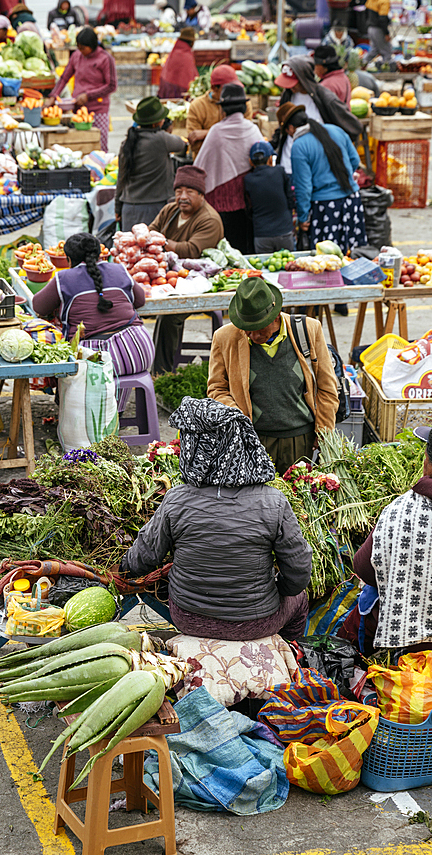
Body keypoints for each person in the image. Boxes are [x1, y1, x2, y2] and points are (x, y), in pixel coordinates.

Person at [120, 396, 312, 639]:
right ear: (239, 443)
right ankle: (290, 656)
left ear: (194, 449)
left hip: (189, 619)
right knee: (299, 599)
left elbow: (141, 560)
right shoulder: (273, 502)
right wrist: (279, 591)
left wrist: (121, 569)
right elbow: (299, 571)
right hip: (256, 623)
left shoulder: (176, 499)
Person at [208, 277, 339, 474]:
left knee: (296, 497)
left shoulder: (308, 330)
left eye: (257, 330)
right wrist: (237, 416)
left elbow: (327, 386)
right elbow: (217, 388)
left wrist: (324, 431)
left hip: (299, 438)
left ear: (276, 316)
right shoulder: (224, 337)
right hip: (252, 438)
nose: (250, 336)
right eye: (246, 329)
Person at [339, 430, 432, 656]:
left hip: (407, 641)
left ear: (426, 461)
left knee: (361, 615)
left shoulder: (400, 510)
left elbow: (363, 568)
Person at [32, 232, 154, 376]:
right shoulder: (119, 269)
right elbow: (140, 300)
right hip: (140, 350)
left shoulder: (63, 278)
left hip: (97, 360)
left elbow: (38, 307)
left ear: (69, 259)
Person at [149, 165, 224, 375]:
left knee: (170, 315)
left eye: (189, 192)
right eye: (178, 192)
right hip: (169, 279)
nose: (182, 197)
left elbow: (190, 250)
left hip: (197, 284)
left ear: (201, 195)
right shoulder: (169, 210)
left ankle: (161, 374)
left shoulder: (209, 219)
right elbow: (150, 231)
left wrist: (160, 242)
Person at [278, 102, 368, 254]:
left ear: (291, 128)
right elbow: (354, 160)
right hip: (352, 201)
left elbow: (303, 187)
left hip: (326, 208)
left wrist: (303, 217)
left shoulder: (299, 145)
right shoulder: (336, 130)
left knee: (328, 258)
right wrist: (340, 177)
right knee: (353, 254)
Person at [195, 83, 261, 255]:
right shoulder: (253, 130)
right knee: (244, 250)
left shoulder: (216, 131)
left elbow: (201, 164)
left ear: (222, 109)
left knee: (225, 252)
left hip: (220, 203)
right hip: (248, 200)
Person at [273, 57, 361, 173]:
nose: (291, 87)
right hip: (288, 165)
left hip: (316, 168)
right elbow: (282, 127)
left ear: (303, 79)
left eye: (294, 83)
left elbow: (352, 126)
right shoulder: (288, 95)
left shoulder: (324, 98)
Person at [115, 96, 186, 231]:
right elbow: (181, 144)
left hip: (129, 209)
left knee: (130, 249)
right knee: (153, 249)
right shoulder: (162, 139)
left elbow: (121, 178)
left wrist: (117, 207)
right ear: (157, 123)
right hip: (155, 209)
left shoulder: (127, 142)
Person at [48, 26, 117, 150]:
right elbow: (64, 78)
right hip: (78, 110)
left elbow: (111, 85)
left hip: (98, 110)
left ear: (92, 45)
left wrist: (88, 95)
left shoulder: (105, 59)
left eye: (83, 48)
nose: (80, 50)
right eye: (78, 47)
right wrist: (54, 95)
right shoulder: (76, 56)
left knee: (98, 146)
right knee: (80, 145)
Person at [186, 64, 254, 160]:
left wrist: (206, 133)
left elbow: (243, 134)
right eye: (227, 89)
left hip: (236, 162)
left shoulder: (243, 103)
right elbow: (195, 145)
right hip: (207, 163)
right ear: (214, 88)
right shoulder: (197, 106)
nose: (232, 92)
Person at [243, 141, 296, 254]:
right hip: (284, 231)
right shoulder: (280, 171)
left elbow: (248, 207)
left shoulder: (248, 180)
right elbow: (290, 198)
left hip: (262, 235)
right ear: (270, 159)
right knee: (288, 266)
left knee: (265, 268)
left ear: (250, 162)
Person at [157, 27, 198, 99]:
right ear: (191, 42)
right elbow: (189, 78)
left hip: (166, 89)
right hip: (178, 92)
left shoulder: (175, 51)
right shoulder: (186, 55)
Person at [364, 0, 394, 66]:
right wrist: (386, 33)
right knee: (387, 51)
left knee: (374, 49)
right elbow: (383, 18)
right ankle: (387, 71)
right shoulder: (384, 0)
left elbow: (366, 11)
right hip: (378, 29)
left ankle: (362, 63)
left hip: (370, 28)